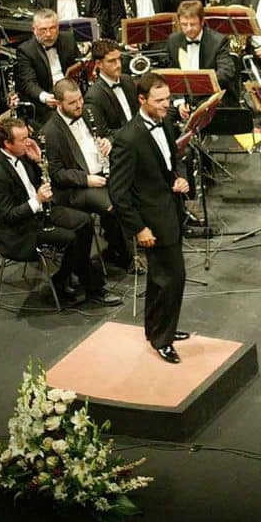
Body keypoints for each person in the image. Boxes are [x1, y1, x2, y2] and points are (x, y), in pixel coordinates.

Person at [0, 116, 119, 306]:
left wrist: (38, 161)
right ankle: (92, 288)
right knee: (71, 239)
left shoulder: (23, 155)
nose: (28, 142)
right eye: (23, 140)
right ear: (7, 143)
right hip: (21, 229)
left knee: (85, 221)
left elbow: (47, 180)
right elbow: (8, 217)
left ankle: (63, 278)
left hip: (41, 211)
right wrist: (36, 200)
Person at [108, 73, 193, 363]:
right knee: (173, 278)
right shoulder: (127, 139)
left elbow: (175, 158)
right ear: (141, 100)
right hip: (152, 221)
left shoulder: (165, 121)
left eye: (168, 99)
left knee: (161, 279)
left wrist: (180, 178)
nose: (166, 105)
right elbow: (118, 192)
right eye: (159, 101)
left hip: (171, 209)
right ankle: (162, 339)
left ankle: (157, 328)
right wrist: (139, 228)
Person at [41, 78, 129, 272]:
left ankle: (124, 243)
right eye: (72, 103)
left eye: (80, 99)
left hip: (103, 172)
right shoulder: (50, 132)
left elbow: (111, 132)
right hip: (76, 188)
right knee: (113, 206)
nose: (79, 105)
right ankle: (124, 257)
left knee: (134, 186)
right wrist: (86, 180)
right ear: (58, 103)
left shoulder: (88, 112)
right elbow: (56, 174)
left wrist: (108, 141)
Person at [165, 0, 238, 103]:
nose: (189, 29)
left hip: (211, 94)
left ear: (202, 21)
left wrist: (200, 85)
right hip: (183, 97)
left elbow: (226, 72)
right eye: (184, 25)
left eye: (193, 24)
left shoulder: (218, 41)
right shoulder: (173, 41)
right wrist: (179, 102)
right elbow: (171, 74)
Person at [84, 39, 139, 132]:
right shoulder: (93, 96)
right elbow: (104, 133)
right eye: (112, 61)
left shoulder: (127, 80)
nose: (118, 65)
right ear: (99, 64)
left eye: (119, 59)